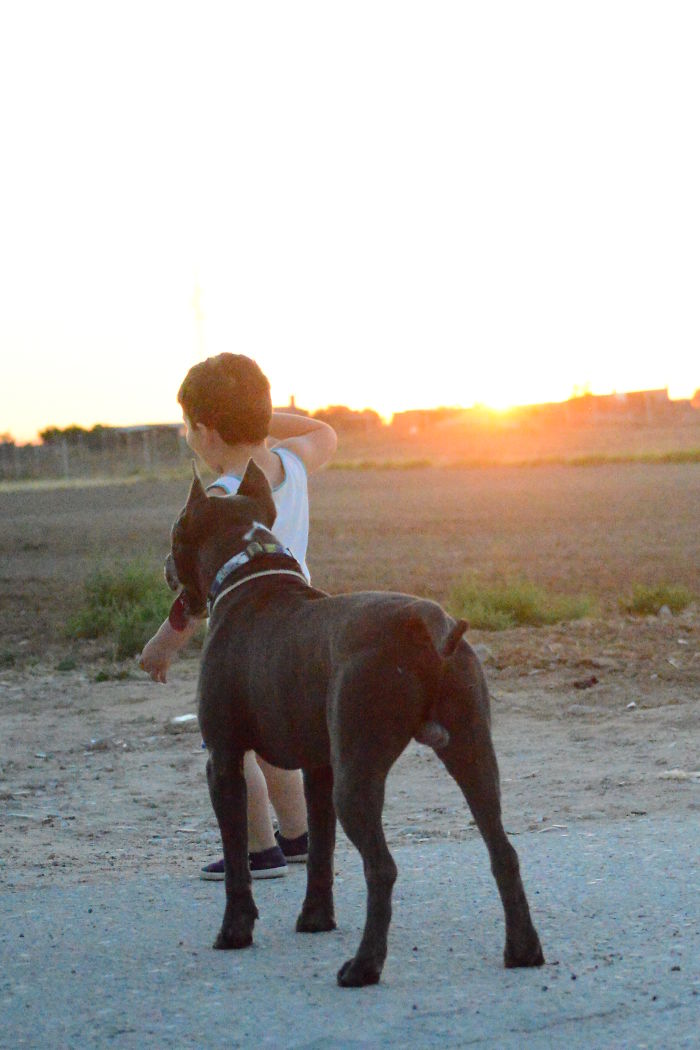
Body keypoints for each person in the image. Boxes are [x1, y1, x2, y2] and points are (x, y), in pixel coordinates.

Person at [139, 353, 337, 879]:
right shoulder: (291, 466)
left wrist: (163, 643)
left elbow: (196, 594)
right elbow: (324, 432)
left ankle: (257, 851)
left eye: (188, 425)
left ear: (204, 431)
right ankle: (297, 838)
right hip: (296, 629)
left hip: (245, 639)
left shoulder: (221, 500)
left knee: (235, 744)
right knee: (275, 739)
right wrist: (260, 419)